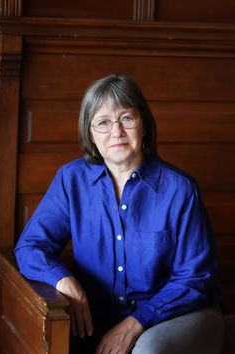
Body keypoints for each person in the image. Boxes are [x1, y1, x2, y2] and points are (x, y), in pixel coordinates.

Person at [15, 74, 224, 354]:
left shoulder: (180, 189)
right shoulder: (71, 180)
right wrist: (63, 280)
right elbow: (30, 245)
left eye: (127, 118)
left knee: (148, 350)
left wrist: (135, 323)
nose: (116, 132)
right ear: (90, 133)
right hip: (96, 319)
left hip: (176, 315)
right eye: (103, 122)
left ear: (144, 125)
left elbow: (196, 278)